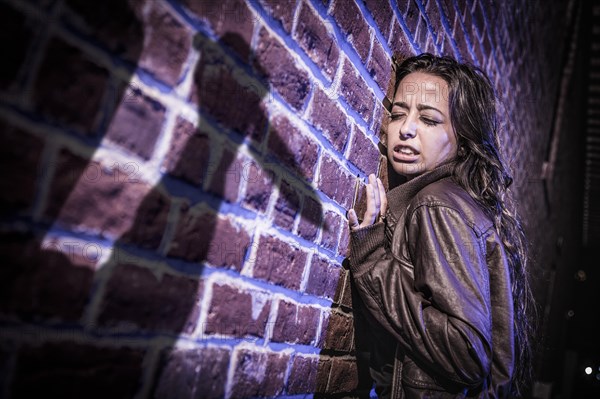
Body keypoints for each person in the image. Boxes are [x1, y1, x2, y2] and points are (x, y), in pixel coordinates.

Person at [347, 53, 537, 398]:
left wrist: (372, 259)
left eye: (430, 120)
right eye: (398, 113)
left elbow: (466, 352)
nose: (405, 129)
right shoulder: (462, 203)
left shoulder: (437, 205)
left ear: (462, 139)